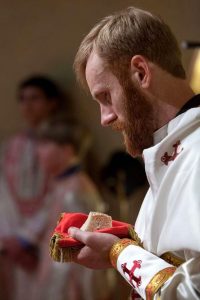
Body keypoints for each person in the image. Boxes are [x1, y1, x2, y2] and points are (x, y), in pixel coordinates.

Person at [66, 7, 200, 300]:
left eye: (106, 97)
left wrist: (120, 253)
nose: (105, 118)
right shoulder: (169, 154)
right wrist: (129, 246)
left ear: (141, 73)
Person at [0, 75, 69, 300]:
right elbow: (4, 195)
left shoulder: (63, 144)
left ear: (52, 103)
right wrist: (12, 240)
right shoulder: (11, 146)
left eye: (34, 98)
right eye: (22, 99)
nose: (27, 105)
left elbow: (61, 195)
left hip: (46, 239)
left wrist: (28, 238)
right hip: (13, 245)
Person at [34, 116, 111, 300]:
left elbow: (79, 243)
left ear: (67, 150)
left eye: (45, 144)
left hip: (67, 281)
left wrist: (74, 287)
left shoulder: (75, 189)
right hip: (54, 272)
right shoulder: (61, 183)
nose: (39, 151)